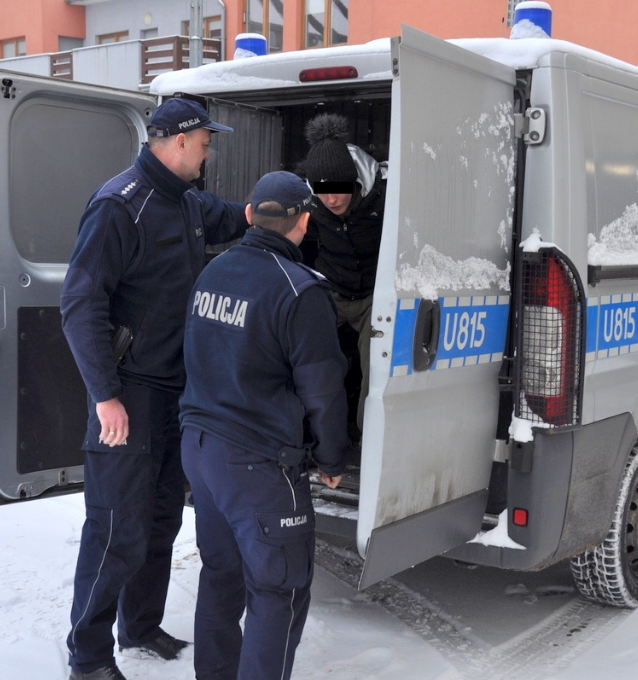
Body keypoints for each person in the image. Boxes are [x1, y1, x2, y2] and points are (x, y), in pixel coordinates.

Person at [60, 97, 250, 680]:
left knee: (164, 518)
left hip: (175, 393)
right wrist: (105, 394)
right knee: (116, 527)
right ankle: (88, 658)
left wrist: (271, 208)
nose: (209, 150)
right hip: (129, 393)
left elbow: (229, 216)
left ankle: (139, 626)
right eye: (205, 141)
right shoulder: (120, 207)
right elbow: (80, 303)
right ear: (176, 141)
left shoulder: (186, 200)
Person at [179, 171, 349, 680]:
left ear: (250, 214)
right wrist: (332, 458)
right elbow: (323, 390)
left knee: (222, 575)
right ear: (303, 222)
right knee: (281, 589)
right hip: (258, 466)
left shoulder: (213, 271)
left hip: (202, 450)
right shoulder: (301, 291)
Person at [301, 112, 388, 436]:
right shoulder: (308, 203)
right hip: (331, 291)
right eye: (323, 190)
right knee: (308, 362)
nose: (332, 198)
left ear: (356, 182)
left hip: (373, 299)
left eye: (340, 189)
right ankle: (307, 440)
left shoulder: (386, 197)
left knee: (376, 371)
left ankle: (370, 448)